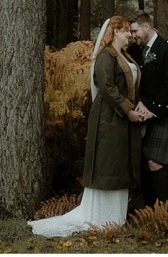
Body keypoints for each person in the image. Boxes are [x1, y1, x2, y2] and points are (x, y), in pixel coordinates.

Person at [28, 16, 148, 236]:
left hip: (124, 120)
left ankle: (116, 219)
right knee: (108, 165)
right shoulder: (105, 57)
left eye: (130, 32)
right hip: (109, 121)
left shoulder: (126, 56)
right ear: (113, 32)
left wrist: (137, 105)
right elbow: (107, 88)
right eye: (124, 31)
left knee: (120, 166)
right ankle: (101, 218)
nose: (129, 35)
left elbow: (131, 85)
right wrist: (127, 110)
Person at [128, 10, 168, 213]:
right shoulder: (133, 51)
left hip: (160, 114)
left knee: (155, 162)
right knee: (143, 164)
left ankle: (164, 214)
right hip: (139, 113)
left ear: (146, 27)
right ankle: (148, 212)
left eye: (135, 31)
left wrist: (152, 110)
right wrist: (138, 103)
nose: (133, 35)